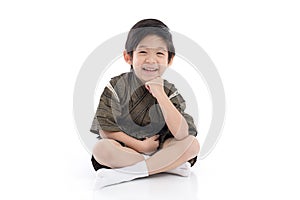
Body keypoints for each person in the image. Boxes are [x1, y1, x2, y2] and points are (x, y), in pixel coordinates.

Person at [90, 19, 200, 189]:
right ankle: (167, 166)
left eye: (159, 53)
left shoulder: (169, 91)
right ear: (128, 57)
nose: (151, 60)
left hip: (162, 148)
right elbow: (105, 130)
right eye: (143, 52)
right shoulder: (117, 86)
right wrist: (141, 146)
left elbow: (181, 134)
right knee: (101, 149)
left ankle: (125, 174)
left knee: (192, 145)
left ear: (169, 60)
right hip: (128, 150)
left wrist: (160, 94)